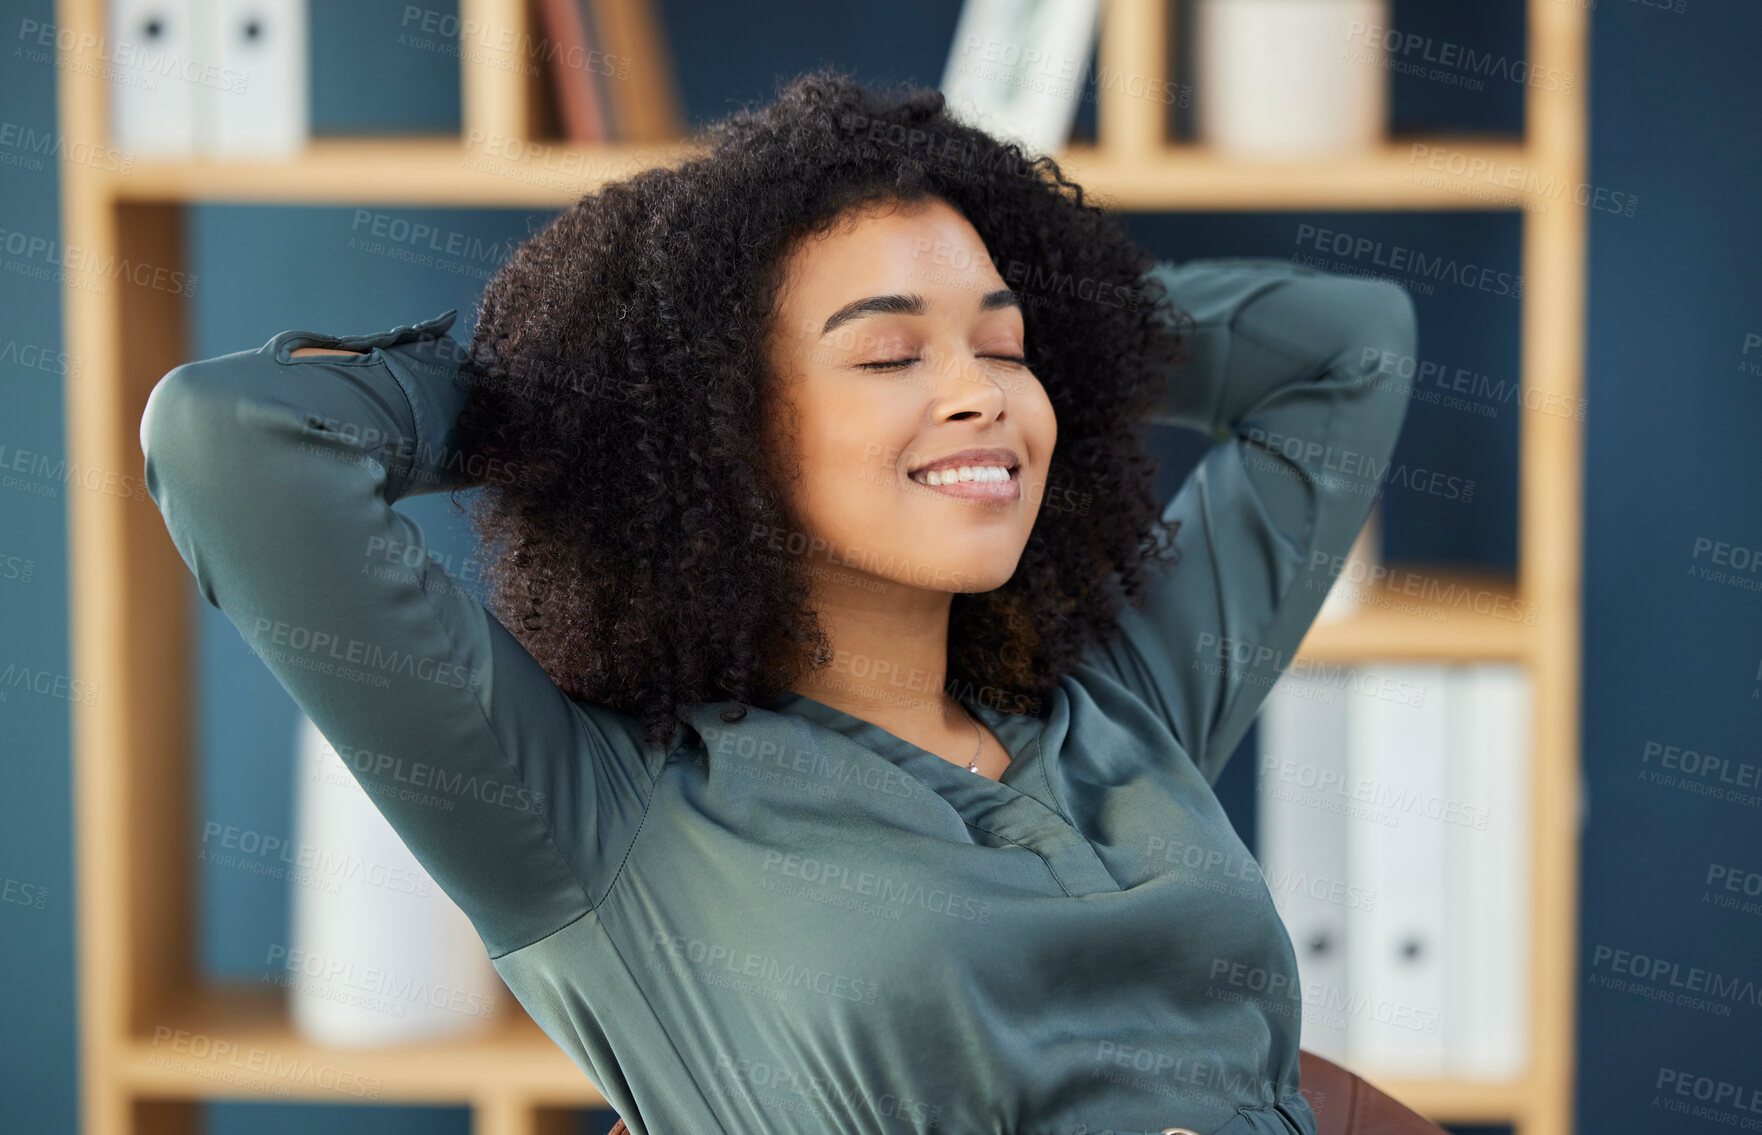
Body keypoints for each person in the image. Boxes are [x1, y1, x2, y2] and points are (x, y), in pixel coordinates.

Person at [140, 66, 1415, 1135]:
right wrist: (576, 393)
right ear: (719, 429)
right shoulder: (603, 818)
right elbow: (233, 438)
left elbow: (1349, 342)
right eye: (887, 352)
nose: (983, 394)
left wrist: (1084, 337)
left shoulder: (1122, 701)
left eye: (1007, 349)